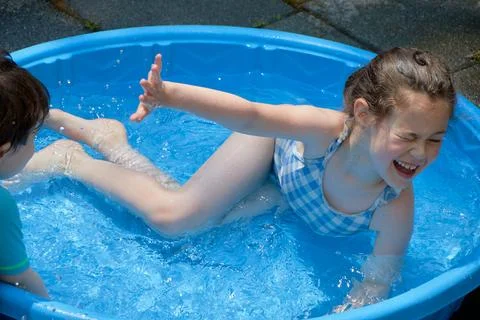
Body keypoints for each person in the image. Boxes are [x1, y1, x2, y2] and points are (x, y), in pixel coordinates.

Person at [12, 47, 456, 310]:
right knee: (175, 217)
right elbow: (252, 113)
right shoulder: (326, 132)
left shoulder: (394, 205)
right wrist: (171, 96)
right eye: (409, 136)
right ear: (364, 116)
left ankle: (112, 143)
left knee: (198, 222)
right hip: (268, 151)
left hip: (282, 198)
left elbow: (377, 282)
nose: (421, 154)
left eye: (435, 139)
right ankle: (72, 159)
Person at [0, 50, 49, 298]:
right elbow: (19, 279)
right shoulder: (2, 207)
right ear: (4, 151)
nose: (34, 147)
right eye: (33, 137)